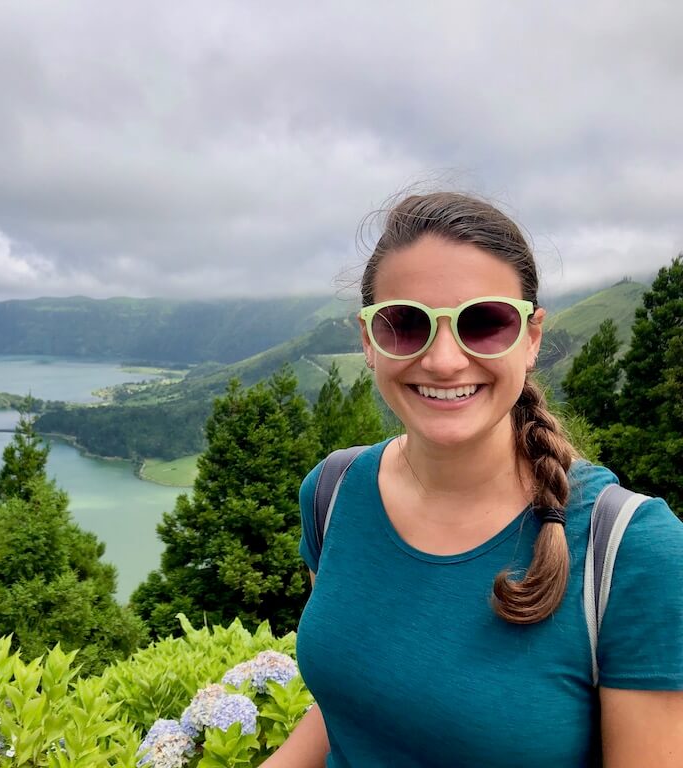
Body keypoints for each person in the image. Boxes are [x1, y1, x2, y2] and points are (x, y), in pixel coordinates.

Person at [264, 192, 683, 767]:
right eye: (405, 324)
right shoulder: (334, 492)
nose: (443, 360)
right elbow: (347, 706)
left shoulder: (634, 551)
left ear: (531, 337)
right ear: (368, 342)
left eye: (484, 323)